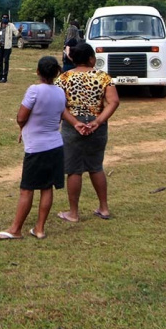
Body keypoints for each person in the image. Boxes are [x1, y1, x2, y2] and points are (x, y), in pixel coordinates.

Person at [0, 57, 86, 241]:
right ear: (56, 72)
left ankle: (16, 229)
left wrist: (22, 128)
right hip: (55, 146)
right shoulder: (59, 92)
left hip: (37, 149)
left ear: (38, 71)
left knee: (27, 189)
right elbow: (61, 113)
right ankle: (39, 228)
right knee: (46, 187)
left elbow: (21, 117)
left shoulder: (34, 90)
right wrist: (76, 123)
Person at [54, 43, 120, 222]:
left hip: (71, 125)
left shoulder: (64, 78)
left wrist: (75, 122)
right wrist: (97, 121)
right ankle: (104, 208)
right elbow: (113, 101)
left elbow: (59, 106)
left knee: (74, 170)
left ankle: (73, 213)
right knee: (96, 166)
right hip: (97, 125)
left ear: (72, 59)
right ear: (92, 58)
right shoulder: (104, 77)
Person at [0, 14, 19, 83]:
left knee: (6, 61)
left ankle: (5, 77)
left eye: (6, 18)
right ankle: (0, 76)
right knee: (0, 61)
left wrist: (20, 31)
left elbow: (16, 33)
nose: (5, 19)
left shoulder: (11, 25)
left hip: (7, 47)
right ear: (1, 18)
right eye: (4, 18)